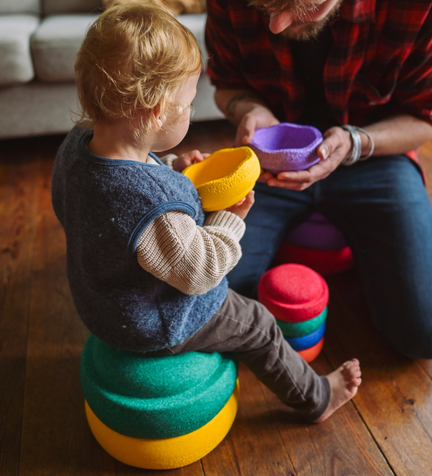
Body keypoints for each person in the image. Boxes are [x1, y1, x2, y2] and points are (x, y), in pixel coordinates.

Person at [51, 3, 362, 423]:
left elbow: (112, 191)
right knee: (257, 324)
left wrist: (177, 169)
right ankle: (317, 398)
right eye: (189, 102)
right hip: (156, 320)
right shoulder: (153, 208)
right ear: (158, 110)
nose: (191, 110)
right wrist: (229, 220)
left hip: (99, 303)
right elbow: (202, 271)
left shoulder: (77, 145)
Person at [205, 0, 432, 359]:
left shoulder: (427, 5)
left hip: (376, 154)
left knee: (425, 333)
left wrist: (356, 142)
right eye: (267, 8)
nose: (277, 26)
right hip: (267, 163)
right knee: (202, 303)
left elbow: (428, 116)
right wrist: (249, 109)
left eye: (297, 9)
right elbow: (225, 84)